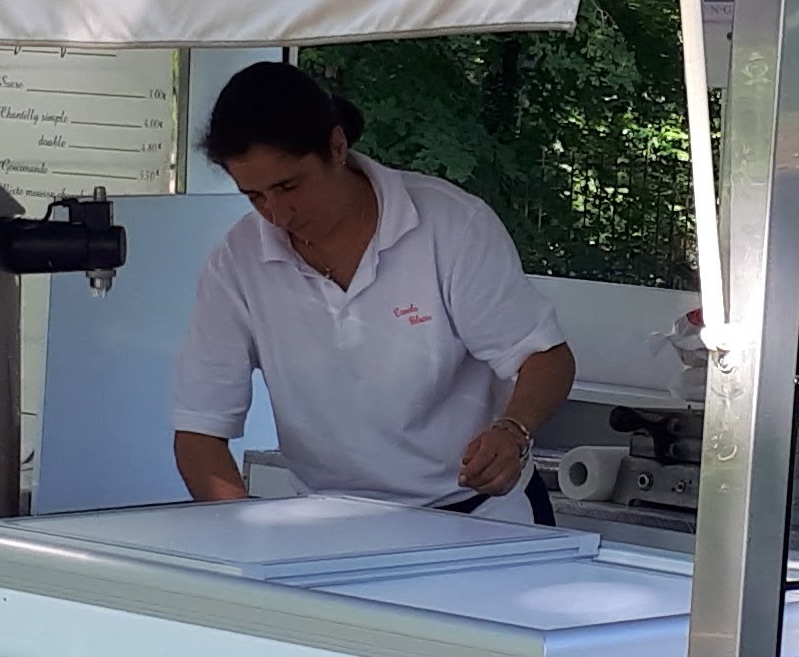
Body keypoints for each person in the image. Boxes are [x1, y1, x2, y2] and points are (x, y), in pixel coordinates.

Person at [172, 61, 576, 508]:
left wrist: (513, 430)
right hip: (329, 518)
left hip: (476, 511)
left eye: (290, 186)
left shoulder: (450, 225)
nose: (277, 214)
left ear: (337, 146)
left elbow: (545, 358)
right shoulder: (237, 262)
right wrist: (239, 530)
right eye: (255, 196)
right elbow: (199, 431)